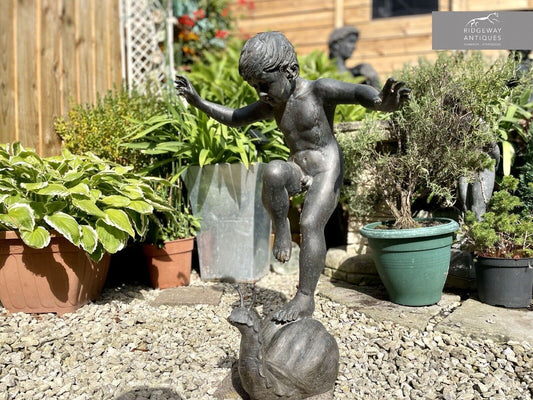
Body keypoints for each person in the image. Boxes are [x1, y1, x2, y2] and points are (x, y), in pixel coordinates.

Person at [175, 31, 409, 322]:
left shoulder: (318, 91)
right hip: (298, 167)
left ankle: (305, 298)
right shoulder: (272, 103)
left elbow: (357, 92)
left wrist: (379, 102)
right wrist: (198, 102)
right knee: (273, 170)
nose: (260, 94)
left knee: (311, 223)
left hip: (326, 167)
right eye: (254, 87)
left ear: (291, 72)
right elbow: (236, 117)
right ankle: (281, 227)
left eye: (264, 85)